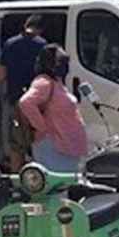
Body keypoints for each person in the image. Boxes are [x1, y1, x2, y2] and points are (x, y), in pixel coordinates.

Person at [18, 44, 88, 172]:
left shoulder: (57, 82)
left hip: (66, 148)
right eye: (61, 62)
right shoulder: (44, 82)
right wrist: (42, 127)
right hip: (53, 147)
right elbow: (25, 102)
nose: (65, 66)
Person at [0, 15, 47, 170]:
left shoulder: (10, 44)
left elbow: (1, 74)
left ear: (26, 24)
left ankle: (16, 179)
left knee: (16, 143)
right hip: (37, 102)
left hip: (16, 99)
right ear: (40, 29)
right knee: (38, 141)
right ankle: (37, 178)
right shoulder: (43, 45)